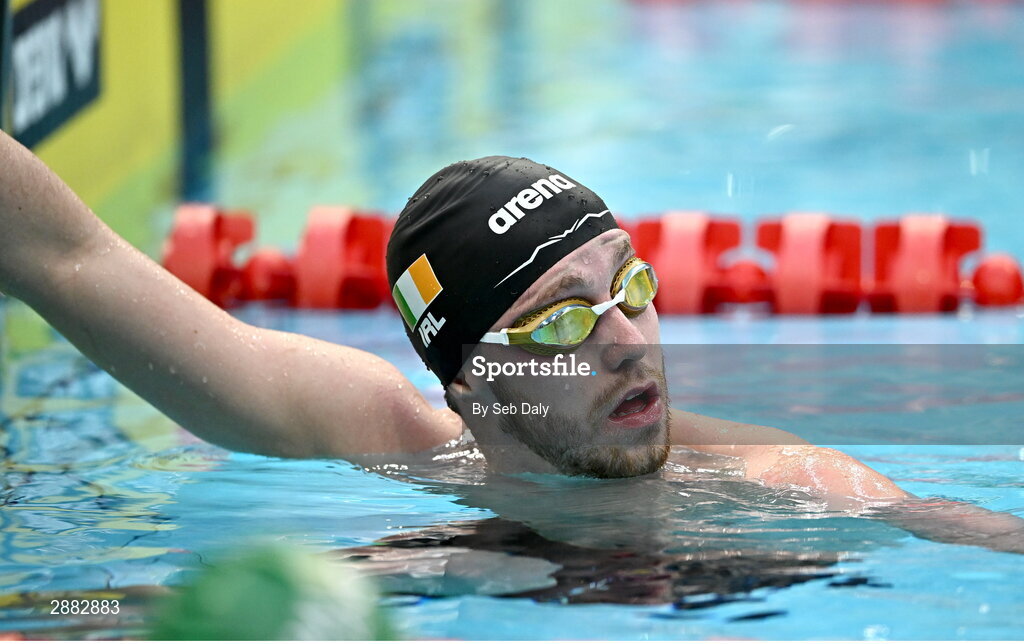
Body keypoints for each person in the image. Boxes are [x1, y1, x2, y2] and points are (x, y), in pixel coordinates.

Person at [1, 130, 1021, 552]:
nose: (628, 339)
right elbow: (71, 260)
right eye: (565, 317)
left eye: (630, 282)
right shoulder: (394, 442)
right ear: (469, 384)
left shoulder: (798, 490)